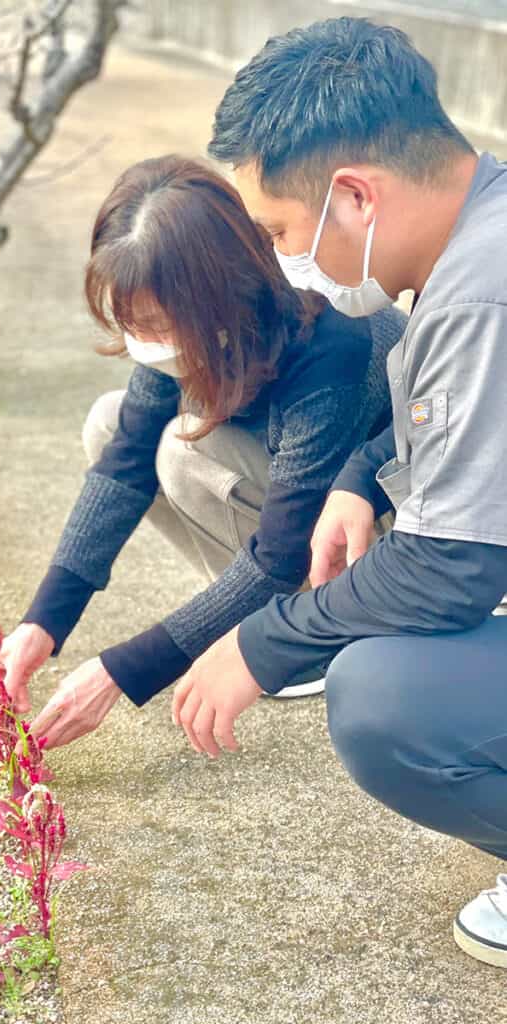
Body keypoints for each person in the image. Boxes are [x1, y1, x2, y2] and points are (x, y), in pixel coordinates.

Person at [169, 17, 507, 969]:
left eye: (280, 230)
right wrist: (362, 477)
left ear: (354, 195)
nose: (282, 260)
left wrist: (261, 642)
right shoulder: (481, 233)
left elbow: (448, 571)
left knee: (386, 698)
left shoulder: (480, 293)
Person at [0, 155, 404, 748]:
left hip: (376, 515)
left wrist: (123, 671)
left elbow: (282, 551)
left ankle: (296, 639)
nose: (145, 341)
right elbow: (124, 463)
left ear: (215, 298)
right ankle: (239, 617)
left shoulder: (327, 337)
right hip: (298, 499)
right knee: (112, 423)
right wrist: (43, 622)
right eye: (132, 321)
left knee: (181, 456)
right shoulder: (185, 319)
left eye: (156, 324)